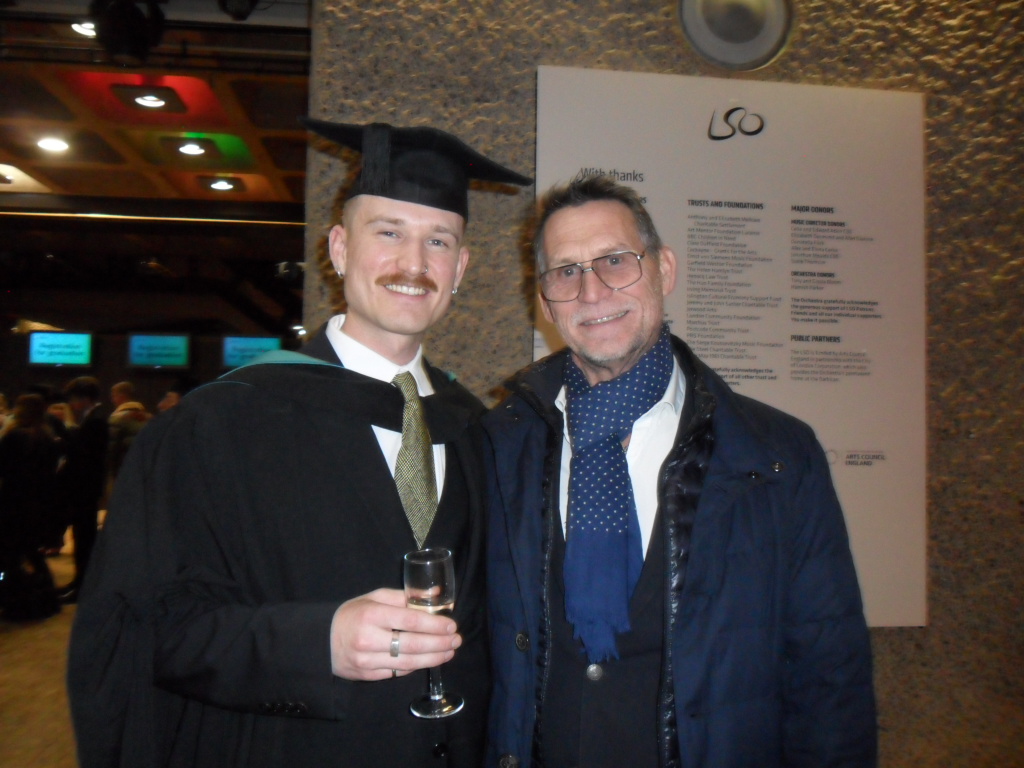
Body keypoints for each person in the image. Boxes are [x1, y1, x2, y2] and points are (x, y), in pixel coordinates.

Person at [68, 120, 530, 768]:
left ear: (461, 268)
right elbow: (142, 629)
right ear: (338, 248)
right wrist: (316, 644)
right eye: (388, 232)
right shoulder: (218, 427)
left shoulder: (477, 429)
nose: (414, 264)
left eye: (439, 241)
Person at [483, 175, 877, 767]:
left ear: (664, 269)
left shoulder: (777, 455)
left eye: (616, 261)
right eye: (566, 272)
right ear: (544, 301)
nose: (591, 291)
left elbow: (829, 672)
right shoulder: (500, 445)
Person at [0, 393, 63, 619]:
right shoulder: (47, 436)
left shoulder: (14, 437)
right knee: (33, 553)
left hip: (13, 502)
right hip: (39, 503)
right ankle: (45, 598)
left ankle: (16, 600)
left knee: (11, 554)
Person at [58, 376, 109, 602]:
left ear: (85, 398)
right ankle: (78, 582)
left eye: (74, 399)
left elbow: (85, 458)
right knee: (82, 538)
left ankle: (82, 586)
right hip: (87, 489)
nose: (71, 404)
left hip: (84, 489)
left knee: (84, 539)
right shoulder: (94, 418)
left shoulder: (95, 421)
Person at [106, 380, 151, 485]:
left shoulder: (117, 419)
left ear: (122, 396)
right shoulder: (148, 418)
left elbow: (111, 450)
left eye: (114, 396)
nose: (112, 400)